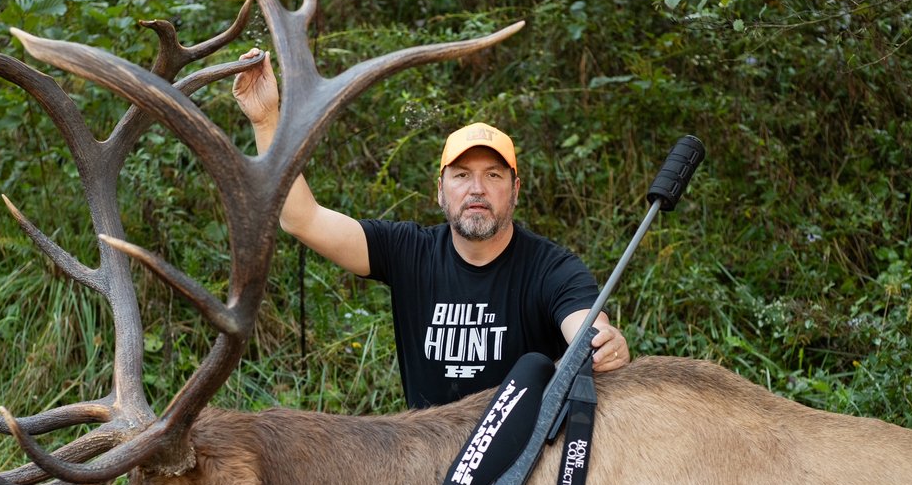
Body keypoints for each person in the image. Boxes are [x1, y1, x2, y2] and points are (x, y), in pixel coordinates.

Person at [232, 50, 630, 408]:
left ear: (515, 190)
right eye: (461, 175)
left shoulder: (552, 268)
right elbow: (301, 218)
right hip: (425, 454)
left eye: (493, 175)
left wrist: (602, 343)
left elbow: (586, 331)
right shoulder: (409, 252)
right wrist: (267, 121)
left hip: (524, 455)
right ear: (440, 189)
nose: (477, 189)